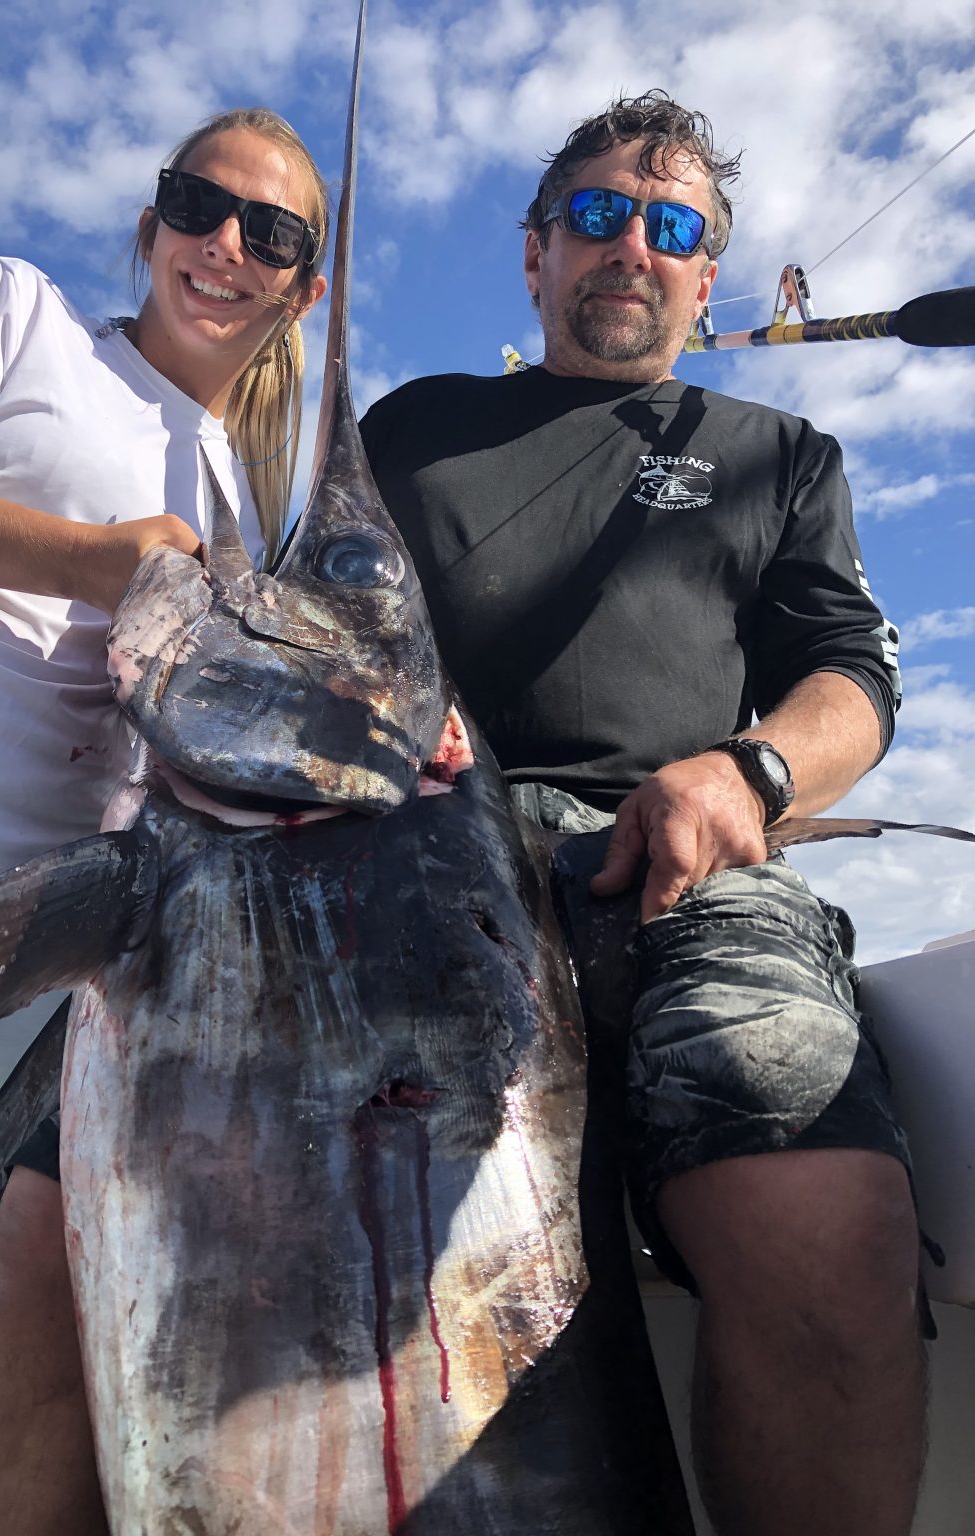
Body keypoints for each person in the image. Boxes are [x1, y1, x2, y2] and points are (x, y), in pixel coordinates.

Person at [357, 92, 921, 1536]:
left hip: (691, 876)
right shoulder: (412, 430)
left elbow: (850, 679)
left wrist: (750, 773)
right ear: (536, 254)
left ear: (704, 274)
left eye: (673, 229)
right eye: (599, 216)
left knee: (824, 1226)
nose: (634, 248)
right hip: (423, 869)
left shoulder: (782, 455)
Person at [0, 107, 328, 1535]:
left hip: (53, 941)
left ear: (307, 285)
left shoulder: (243, 512)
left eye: (271, 235)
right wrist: (92, 563)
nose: (224, 245)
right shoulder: (12, 311)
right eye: (197, 204)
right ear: (153, 218)